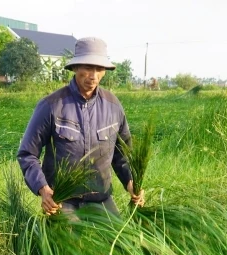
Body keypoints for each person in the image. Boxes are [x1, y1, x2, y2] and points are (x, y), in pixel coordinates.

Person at [17, 37, 144, 219]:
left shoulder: (113, 106)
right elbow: (27, 154)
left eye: (99, 69)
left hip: (101, 198)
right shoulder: (51, 105)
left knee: (119, 241)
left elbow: (122, 154)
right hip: (63, 200)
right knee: (71, 245)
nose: (93, 76)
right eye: (87, 68)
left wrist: (131, 182)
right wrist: (43, 189)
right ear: (75, 68)